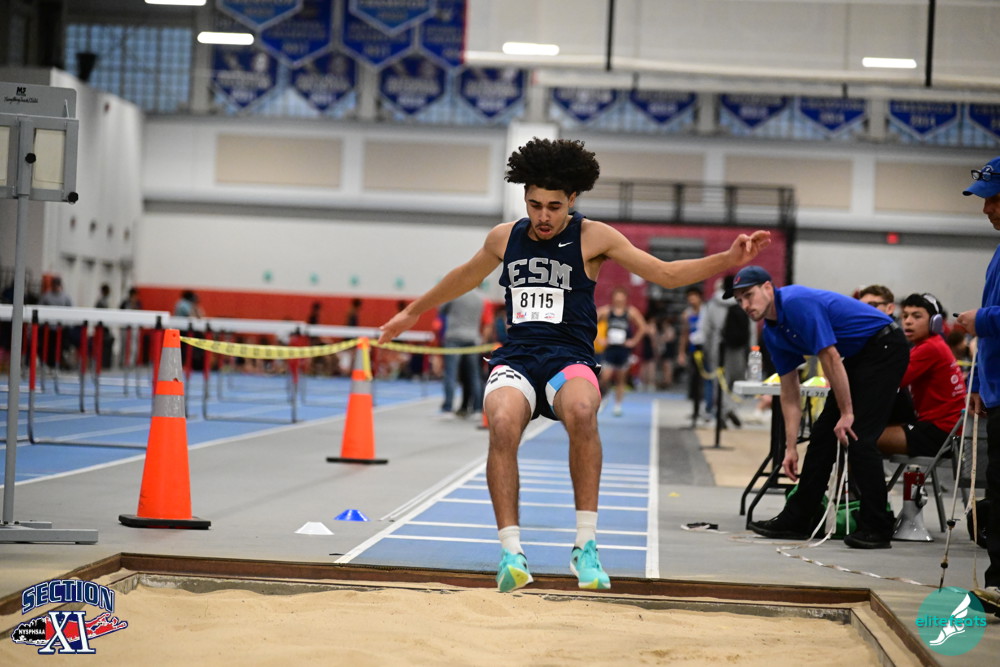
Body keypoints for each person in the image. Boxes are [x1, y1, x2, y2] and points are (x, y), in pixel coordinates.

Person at [378, 137, 770, 592]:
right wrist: (412, 312)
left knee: (583, 411)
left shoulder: (593, 237)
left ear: (573, 200)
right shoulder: (504, 237)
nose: (543, 217)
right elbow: (463, 277)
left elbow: (665, 274)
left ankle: (585, 546)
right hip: (519, 358)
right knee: (501, 421)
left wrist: (728, 259)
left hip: (570, 358)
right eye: (534, 205)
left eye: (554, 207)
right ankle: (511, 553)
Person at [732, 265, 908, 549]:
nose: (745, 305)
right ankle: (799, 519)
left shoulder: (797, 303)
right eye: (739, 300)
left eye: (749, 295)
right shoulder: (773, 332)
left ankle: (877, 525)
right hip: (858, 354)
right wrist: (790, 447)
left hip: (885, 345)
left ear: (767, 288)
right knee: (822, 435)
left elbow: (830, 357)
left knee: (859, 437)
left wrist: (847, 413)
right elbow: (790, 393)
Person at [956, 157, 1000, 614]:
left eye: (995, 200)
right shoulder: (999, 252)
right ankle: (997, 584)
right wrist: (979, 384)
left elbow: (992, 321)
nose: (986, 209)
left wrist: (979, 319)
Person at [877, 293, 965, 458]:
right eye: (905, 316)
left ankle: (862, 477)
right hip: (936, 430)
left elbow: (889, 381)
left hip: (938, 435)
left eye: (916, 316)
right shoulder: (931, 345)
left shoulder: (929, 348)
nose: (908, 321)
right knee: (863, 434)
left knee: (859, 438)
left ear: (934, 322)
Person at [700, 275, 755, 428]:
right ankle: (731, 408)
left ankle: (723, 410)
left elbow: (706, 327)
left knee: (719, 380)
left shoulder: (713, 303)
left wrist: (706, 348)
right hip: (738, 347)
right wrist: (752, 349)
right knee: (736, 381)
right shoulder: (744, 301)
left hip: (717, 345)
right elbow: (751, 328)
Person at [596, 286, 647, 416]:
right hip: (610, 349)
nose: (619, 300)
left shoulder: (630, 312)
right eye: (617, 297)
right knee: (605, 377)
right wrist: (599, 339)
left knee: (620, 379)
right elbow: (591, 321)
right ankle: (602, 397)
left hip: (623, 350)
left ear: (625, 299)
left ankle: (618, 405)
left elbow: (642, 327)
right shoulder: (607, 311)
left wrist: (634, 341)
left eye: (621, 298)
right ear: (613, 298)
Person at [439, 288, 487, 417]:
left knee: (451, 374)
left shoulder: (455, 293)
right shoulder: (480, 298)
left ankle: (447, 408)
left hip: (454, 337)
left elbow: (441, 310)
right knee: (474, 375)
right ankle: (477, 409)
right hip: (472, 338)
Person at [678, 286, 708, 421]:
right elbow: (684, 334)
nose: (691, 299)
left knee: (707, 380)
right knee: (695, 380)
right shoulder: (687, 314)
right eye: (689, 297)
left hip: (706, 349)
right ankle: (696, 410)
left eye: (694, 296)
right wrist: (681, 353)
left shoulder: (707, 312)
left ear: (699, 297)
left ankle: (708, 408)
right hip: (694, 350)